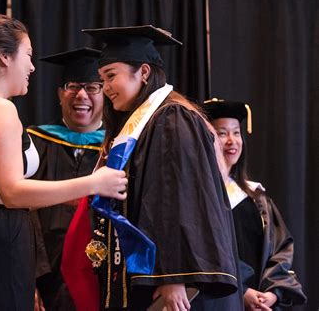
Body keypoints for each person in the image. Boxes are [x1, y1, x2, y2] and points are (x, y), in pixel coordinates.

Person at [0, 13, 127, 310]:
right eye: (28, 55)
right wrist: (95, 182)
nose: (31, 66)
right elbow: (12, 192)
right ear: (4, 56)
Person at [75, 25, 244, 310]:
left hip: (166, 278)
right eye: (102, 79)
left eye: (111, 76)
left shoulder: (172, 118)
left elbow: (178, 199)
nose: (105, 88)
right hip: (144, 273)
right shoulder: (141, 123)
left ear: (143, 72)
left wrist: (173, 276)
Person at [201, 98, 307, 310]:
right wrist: (243, 291)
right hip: (219, 301)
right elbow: (204, 252)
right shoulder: (200, 196)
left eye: (236, 132)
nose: (232, 140)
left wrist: (273, 292)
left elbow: (280, 249)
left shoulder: (255, 197)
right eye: (222, 133)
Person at [28, 47, 105, 311]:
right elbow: (24, 214)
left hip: (101, 276)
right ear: (61, 94)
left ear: (106, 94)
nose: (81, 95)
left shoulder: (118, 150)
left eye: (93, 87)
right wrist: (30, 278)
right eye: (73, 86)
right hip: (46, 275)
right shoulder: (35, 144)